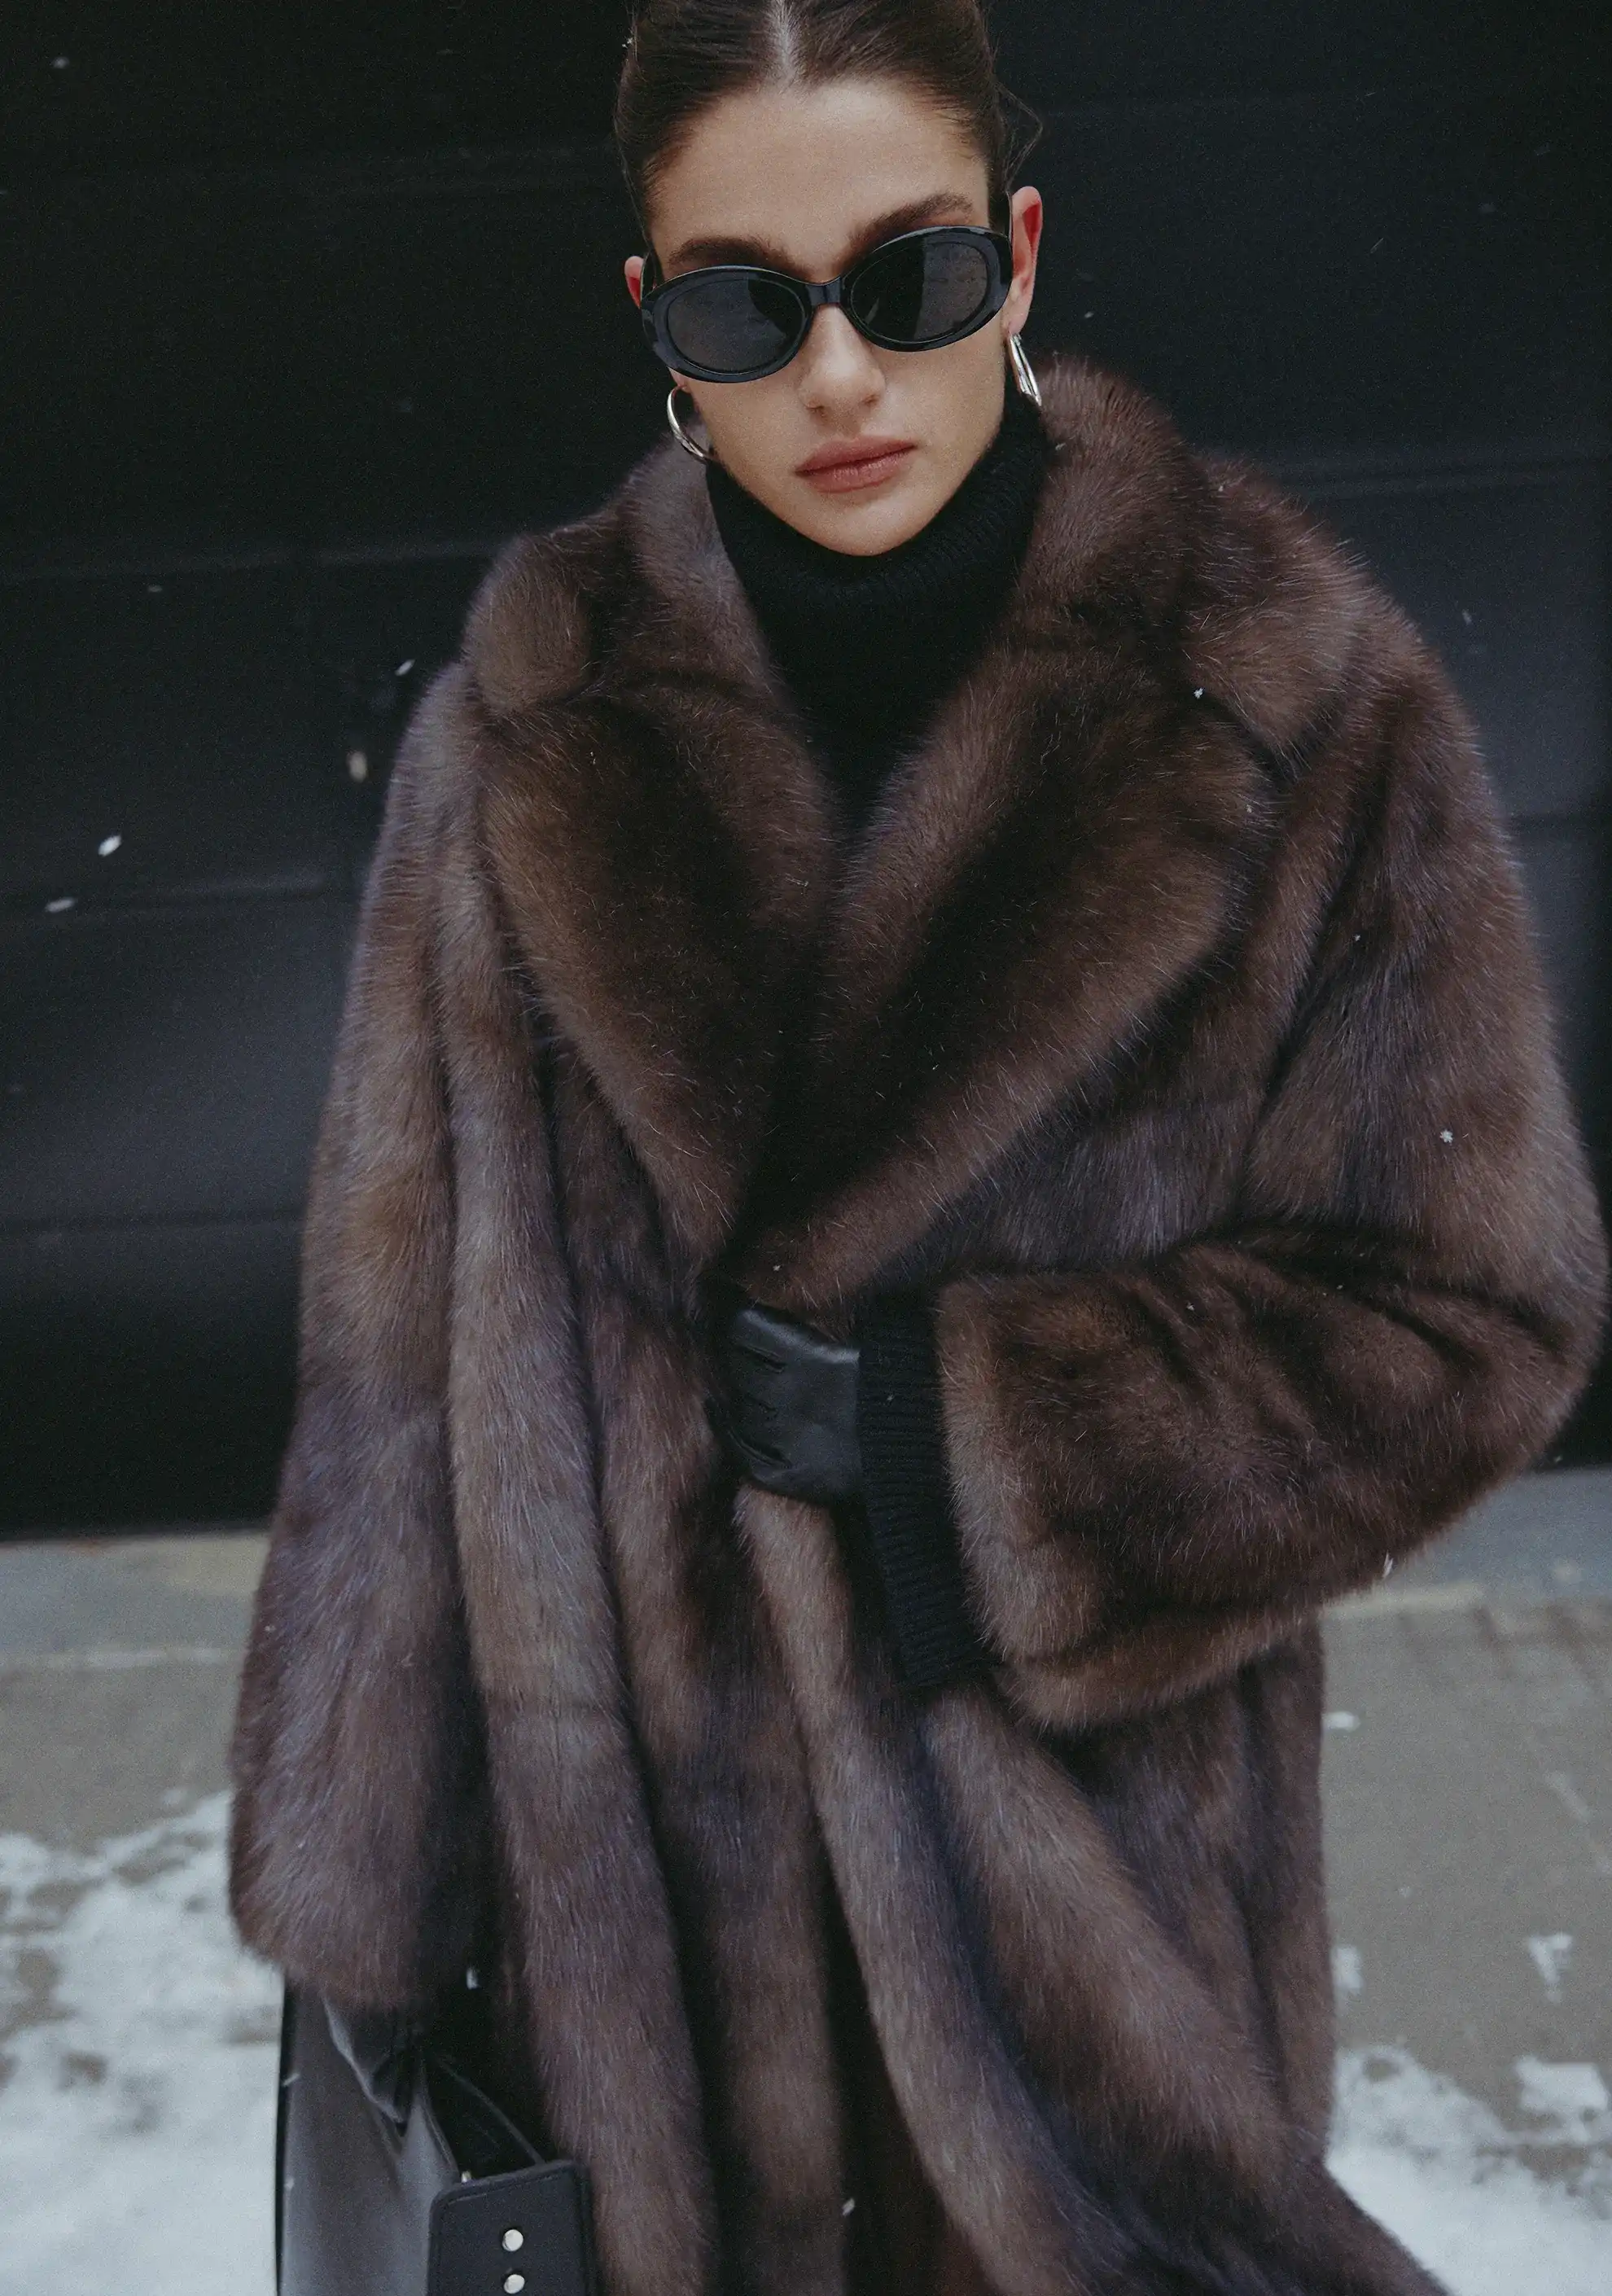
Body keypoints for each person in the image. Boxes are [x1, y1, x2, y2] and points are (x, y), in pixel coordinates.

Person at [229, 4, 1609, 2293]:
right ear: (655, 320)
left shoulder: (1293, 706)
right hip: (645, 1979)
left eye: (915, 275)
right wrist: (365, 1911)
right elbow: (390, 1376)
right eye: (743, 308)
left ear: (1022, 251)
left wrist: (972, 1436)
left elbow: (1475, 1312)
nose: (841, 372)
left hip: (1083, 1940)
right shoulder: (526, 731)